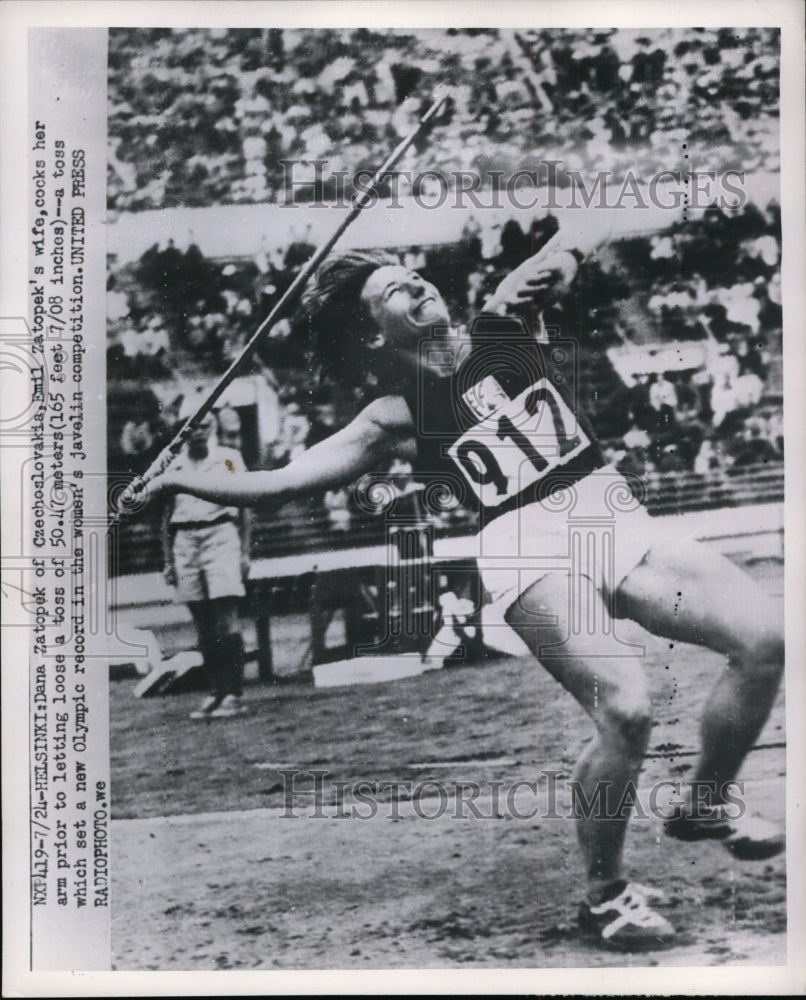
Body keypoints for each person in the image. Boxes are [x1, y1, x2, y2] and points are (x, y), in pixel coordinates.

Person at [147, 246, 784, 949]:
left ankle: (704, 802)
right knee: (627, 709)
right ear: (371, 334)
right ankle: (606, 894)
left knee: (763, 641)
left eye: (413, 271)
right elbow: (287, 482)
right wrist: (182, 478)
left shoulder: (503, 326)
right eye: (393, 289)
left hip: (609, 513)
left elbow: (560, 251)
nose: (416, 281)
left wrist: (556, 259)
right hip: (524, 544)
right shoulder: (392, 414)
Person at [160, 396, 251, 719]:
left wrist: (244, 550)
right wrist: (169, 561)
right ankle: (215, 691)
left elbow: (243, 507)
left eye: (203, 424)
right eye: (191, 426)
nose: (197, 431)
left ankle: (234, 694)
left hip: (220, 535)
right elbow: (166, 516)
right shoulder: (172, 463)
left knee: (226, 616)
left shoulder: (228, 458)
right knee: (202, 623)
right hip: (185, 539)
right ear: (182, 429)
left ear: (212, 426)